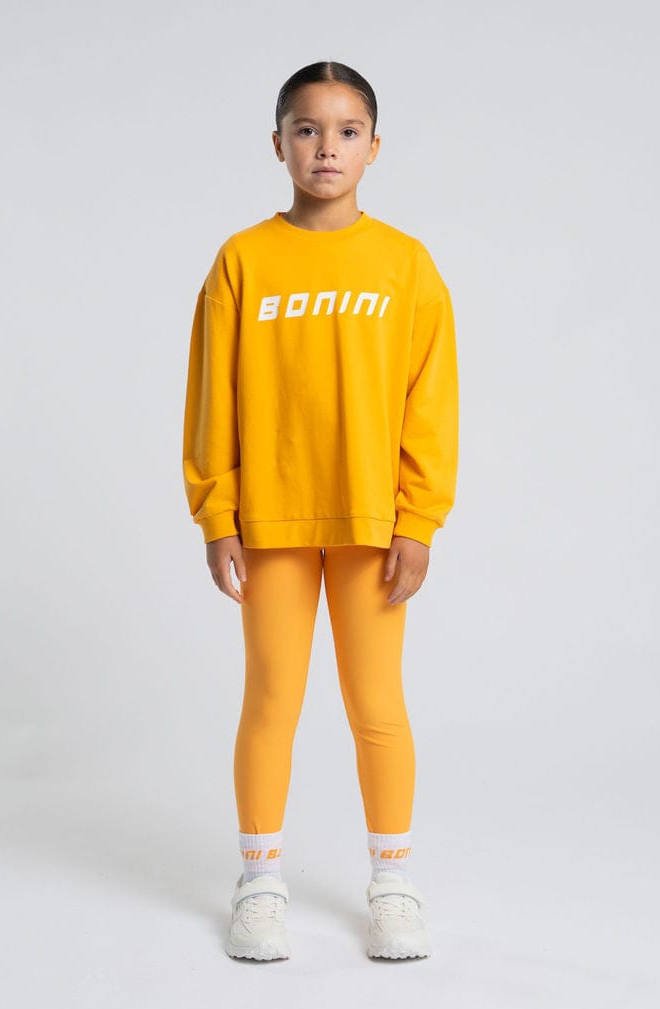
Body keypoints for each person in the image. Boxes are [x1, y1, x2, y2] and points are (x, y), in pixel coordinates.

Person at [181, 60, 459, 962]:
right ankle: (260, 881)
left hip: (372, 524)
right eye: (307, 129)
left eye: (346, 131)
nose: (326, 147)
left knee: (377, 705)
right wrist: (217, 513)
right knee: (271, 700)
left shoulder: (406, 266)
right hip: (271, 523)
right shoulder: (243, 261)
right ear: (278, 144)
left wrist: (417, 520)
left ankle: (393, 882)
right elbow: (211, 396)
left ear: (375, 147)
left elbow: (430, 403)